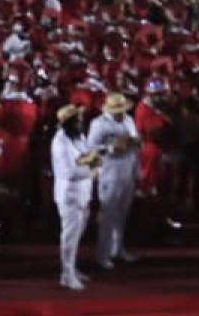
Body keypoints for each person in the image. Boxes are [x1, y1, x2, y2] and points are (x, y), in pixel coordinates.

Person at [87, 91, 141, 268]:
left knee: (122, 214)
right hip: (109, 173)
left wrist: (135, 145)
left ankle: (117, 249)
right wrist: (111, 148)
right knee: (108, 214)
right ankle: (103, 254)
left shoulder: (128, 120)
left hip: (127, 171)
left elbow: (135, 144)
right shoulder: (99, 124)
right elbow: (91, 147)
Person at [51, 104, 98, 289]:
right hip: (70, 196)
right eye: (77, 121)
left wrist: (92, 160)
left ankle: (72, 268)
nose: (81, 123)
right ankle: (67, 275)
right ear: (66, 124)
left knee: (78, 234)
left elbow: (86, 157)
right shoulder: (60, 143)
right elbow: (70, 172)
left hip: (83, 194)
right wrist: (93, 170)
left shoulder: (78, 137)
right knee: (70, 236)